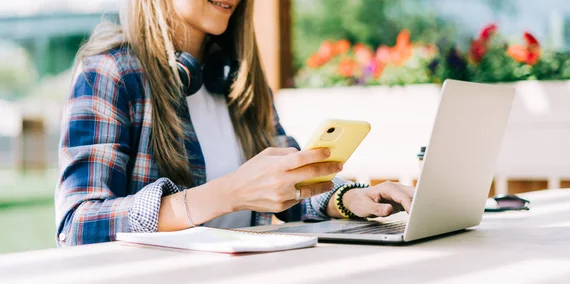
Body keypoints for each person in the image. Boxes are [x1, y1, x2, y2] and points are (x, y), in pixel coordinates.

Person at [55, 0, 415, 246]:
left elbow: (288, 190)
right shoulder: (110, 72)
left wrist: (349, 197)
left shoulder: (237, 77)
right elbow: (77, 224)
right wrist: (226, 195)